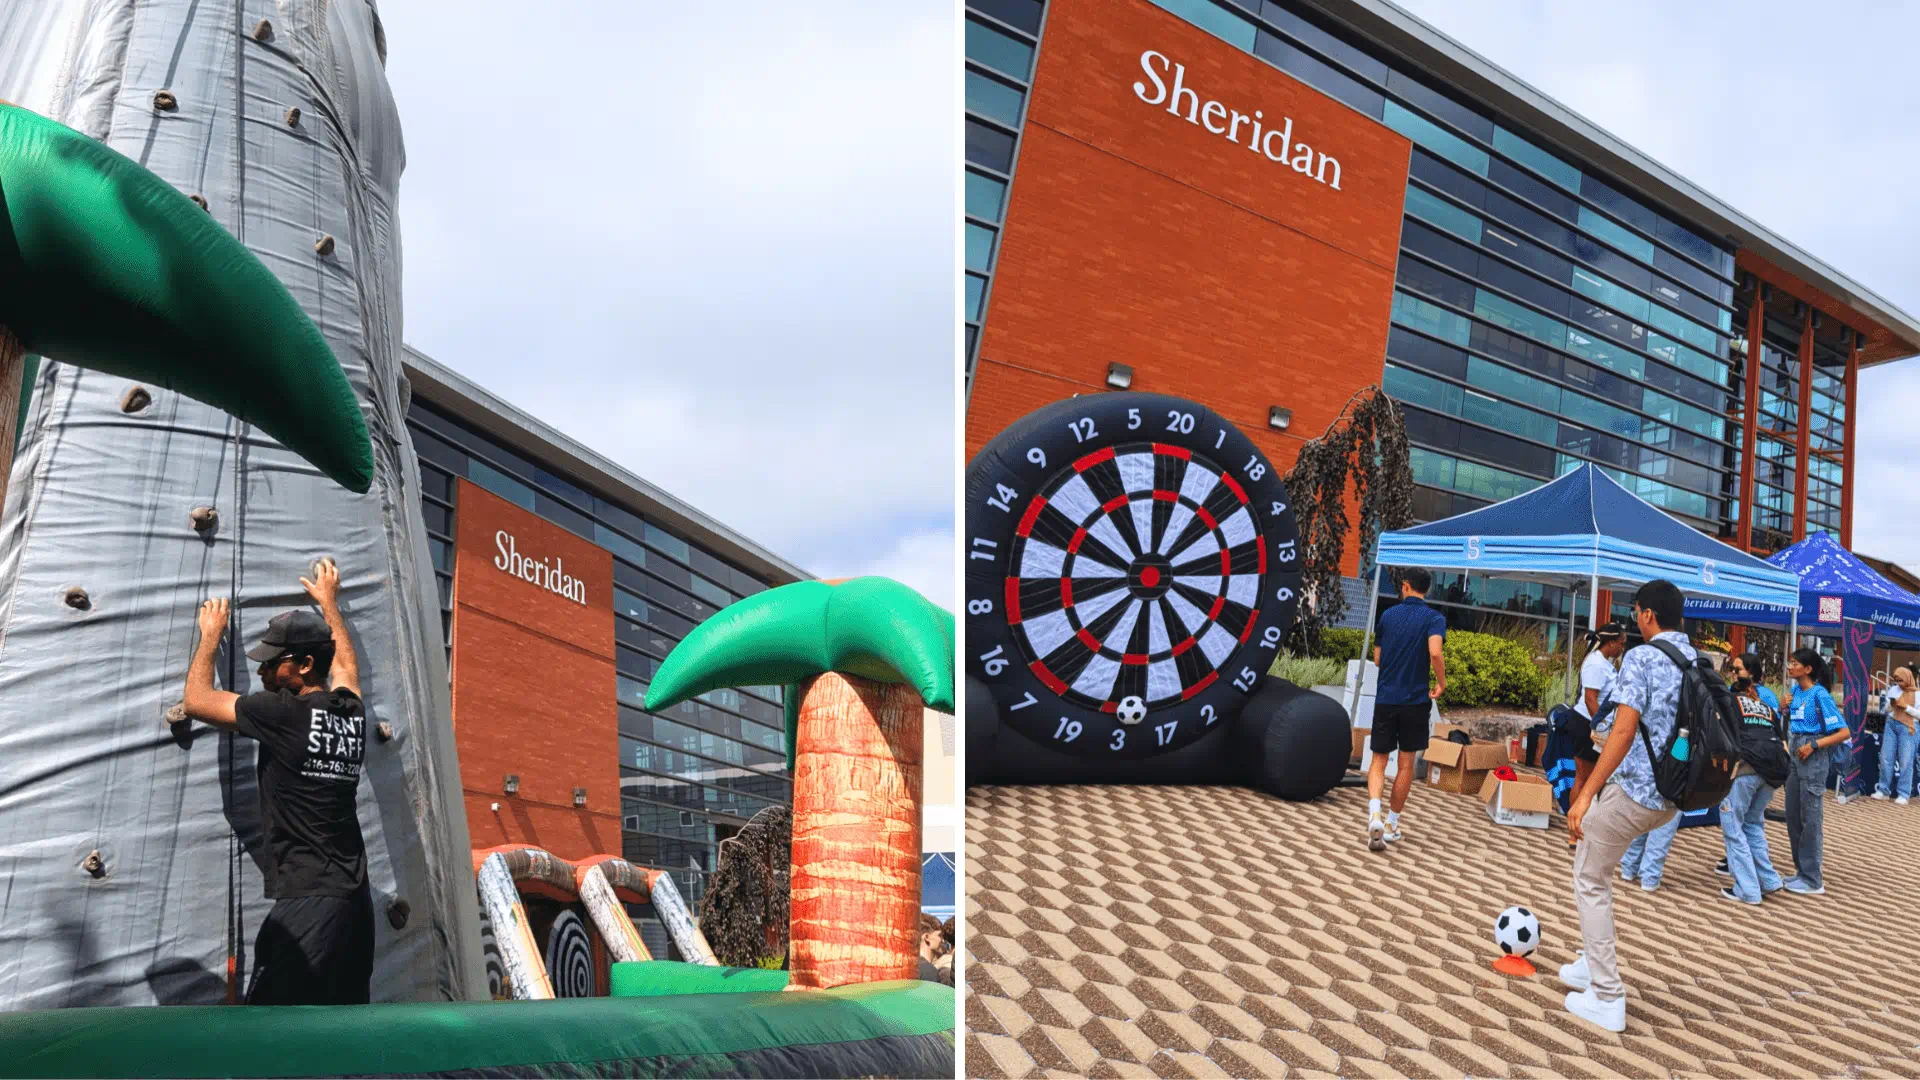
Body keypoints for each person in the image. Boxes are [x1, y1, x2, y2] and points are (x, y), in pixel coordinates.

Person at [181, 557, 373, 1005]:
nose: (263, 673)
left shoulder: (282, 714)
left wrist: (209, 637)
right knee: (341, 1033)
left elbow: (196, 700)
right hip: (354, 903)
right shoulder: (351, 710)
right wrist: (329, 604)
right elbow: (346, 667)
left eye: (272, 663)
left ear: (305, 664)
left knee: (264, 1033)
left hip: (309, 903)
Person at [1559, 579, 1689, 1034]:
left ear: (1647, 614)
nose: (1635, 620)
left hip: (1636, 791)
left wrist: (1588, 793)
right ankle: (1588, 962)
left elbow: (1623, 731)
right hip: (1675, 796)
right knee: (1595, 865)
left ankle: (1608, 996)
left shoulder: (1642, 656)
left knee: (1589, 876)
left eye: (1636, 613)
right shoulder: (1695, 659)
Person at [1366, 567, 1446, 852]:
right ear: (1427, 590)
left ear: (1406, 586)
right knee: (1405, 764)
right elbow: (1435, 651)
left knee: (1378, 759)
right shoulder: (1434, 618)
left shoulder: (1387, 616)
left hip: (1386, 698)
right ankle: (1391, 824)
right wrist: (1441, 681)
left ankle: (1373, 812)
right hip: (1414, 701)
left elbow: (1377, 659)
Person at [1717, 652, 1788, 904]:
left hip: (1747, 769)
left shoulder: (1730, 704)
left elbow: (1721, 737)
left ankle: (1747, 890)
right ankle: (1768, 880)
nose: (1733, 674)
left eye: (1736, 671)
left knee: (1733, 827)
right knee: (1753, 824)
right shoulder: (1766, 706)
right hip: (1773, 771)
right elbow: (1782, 741)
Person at [1783, 647, 1850, 896]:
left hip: (1813, 756)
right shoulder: (1795, 691)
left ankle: (1813, 879)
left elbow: (1843, 732)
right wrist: (1783, 706)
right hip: (1794, 753)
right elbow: (1790, 718)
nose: (1790, 666)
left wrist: (1813, 746)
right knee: (1792, 815)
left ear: (1808, 669)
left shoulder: (1820, 694)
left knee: (1810, 818)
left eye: (1794, 663)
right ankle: (1801, 871)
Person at [1569, 621, 1630, 807]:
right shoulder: (1596, 664)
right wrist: (1601, 728)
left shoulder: (1605, 663)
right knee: (1585, 779)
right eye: (1621, 643)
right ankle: (1575, 823)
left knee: (1590, 778)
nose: (1622, 648)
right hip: (1587, 724)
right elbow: (1590, 699)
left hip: (1593, 724)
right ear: (1611, 643)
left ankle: (1580, 820)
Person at [1873, 666, 1920, 804]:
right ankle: (1883, 790)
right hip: (1891, 724)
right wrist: (1891, 704)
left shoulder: (1918, 694)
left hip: (1909, 727)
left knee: (1906, 760)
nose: (1899, 683)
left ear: (1909, 678)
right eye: (1896, 680)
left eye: (1901, 680)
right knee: (1886, 758)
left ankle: (1904, 794)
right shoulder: (1893, 690)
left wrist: (1906, 707)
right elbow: (1886, 709)